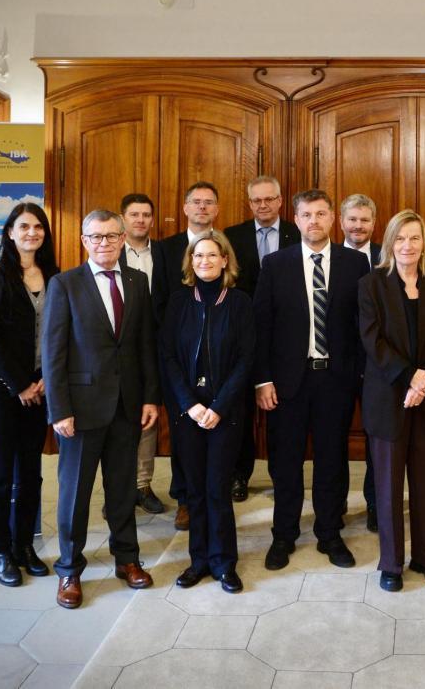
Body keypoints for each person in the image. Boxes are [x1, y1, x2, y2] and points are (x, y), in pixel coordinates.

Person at [42, 209, 160, 609]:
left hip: (127, 407)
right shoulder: (65, 284)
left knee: (123, 489)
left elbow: (146, 344)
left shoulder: (137, 281)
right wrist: (59, 410)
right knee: (75, 494)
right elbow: (53, 353)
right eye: (96, 237)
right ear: (83, 241)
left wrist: (149, 397)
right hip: (80, 409)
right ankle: (69, 570)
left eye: (111, 236)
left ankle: (127, 559)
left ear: (124, 239)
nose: (104, 243)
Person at [253, 189, 370, 571]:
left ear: (333, 218)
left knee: (332, 462)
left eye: (321, 214)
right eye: (306, 215)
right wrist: (263, 380)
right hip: (287, 382)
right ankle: (283, 535)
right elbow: (262, 328)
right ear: (297, 219)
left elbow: (361, 327)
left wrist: (359, 377)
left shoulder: (355, 264)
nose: (314, 221)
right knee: (285, 463)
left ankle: (329, 533)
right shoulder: (275, 264)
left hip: (335, 381)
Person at [358, 210, 425, 591]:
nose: (408, 246)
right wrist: (408, 376)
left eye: (415, 238)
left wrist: (424, 379)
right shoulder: (371, 284)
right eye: (400, 239)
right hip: (387, 398)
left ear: (424, 243)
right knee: (387, 485)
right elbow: (372, 340)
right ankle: (391, 564)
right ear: (389, 243)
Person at [0, 203, 58, 587]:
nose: (31, 233)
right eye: (23, 226)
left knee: (32, 474)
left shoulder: (57, 276)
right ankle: (1, 551)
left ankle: (25, 546)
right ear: (9, 232)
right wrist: (20, 384)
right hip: (2, 391)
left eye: (38, 226)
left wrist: (43, 382)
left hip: (41, 390)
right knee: (1, 475)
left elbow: (61, 335)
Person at [161, 231, 254, 594]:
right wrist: (190, 404)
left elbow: (247, 359)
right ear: (190, 261)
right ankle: (198, 560)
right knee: (195, 491)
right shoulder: (178, 302)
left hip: (224, 413)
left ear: (225, 260)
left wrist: (217, 407)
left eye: (212, 256)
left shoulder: (241, 303)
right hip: (188, 413)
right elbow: (167, 356)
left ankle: (223, 562)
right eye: (198, 256)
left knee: (217, 489)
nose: (205, 262)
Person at [223, 176, 300, 503]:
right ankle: (239, 474)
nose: (264, 205)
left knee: (284, 407)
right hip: (240, 334)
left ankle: (283, 476)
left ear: (281, 201)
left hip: (285, 337)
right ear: (249, 202)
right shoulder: (233, 236)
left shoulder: (297, 233)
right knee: (239, 407)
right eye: (257, 200)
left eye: (270, 199)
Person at [159, 181, 221, 531]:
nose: (201, 208)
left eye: (208, 202)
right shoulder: (165, 249)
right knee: (184, 432)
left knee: (218, 428)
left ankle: (216, 494)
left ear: (216, 209)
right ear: (185, 207)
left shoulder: (224, 246)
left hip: (217, 356)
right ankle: (184, 498)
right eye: (195, 202)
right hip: (178, 357)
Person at [118, 193, 169, 516]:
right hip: (118, 348)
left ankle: (142, 485)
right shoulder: (109, 252)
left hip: (155, 345)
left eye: (146, 215)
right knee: (119, 420)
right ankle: (120, 491)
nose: (140, 220)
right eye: (134, 214)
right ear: (123, 218)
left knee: (148, 417)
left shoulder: (164, 253)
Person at [341, 193, 382, 532]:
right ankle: (336, 500)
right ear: (342, 222)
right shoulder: (329, 257)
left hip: (379, 364)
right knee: (334, 435)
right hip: (338, 362)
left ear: (374, 223)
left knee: (376, 438)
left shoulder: (387, 255)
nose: (358, 225)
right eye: (352, 219)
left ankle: (374, 502)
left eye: (364, 220)